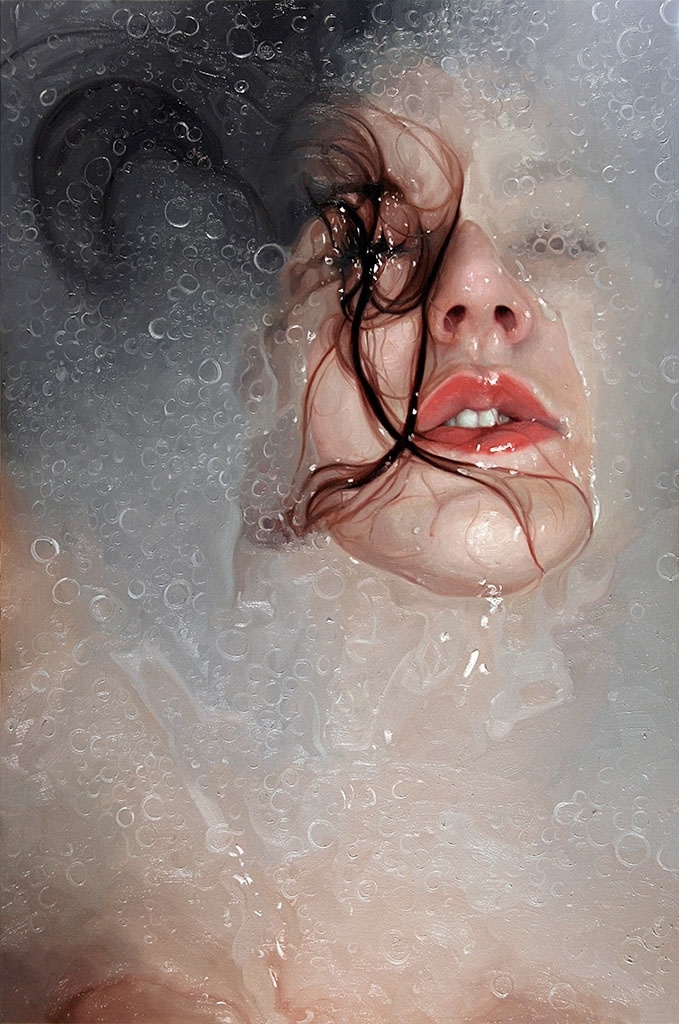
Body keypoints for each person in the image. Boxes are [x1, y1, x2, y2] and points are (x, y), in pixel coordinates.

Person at [2, 4, 677, 1023]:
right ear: (253, 382)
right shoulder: (30, 680)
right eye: (369, 250)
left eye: (556, 237)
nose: (475, 287)